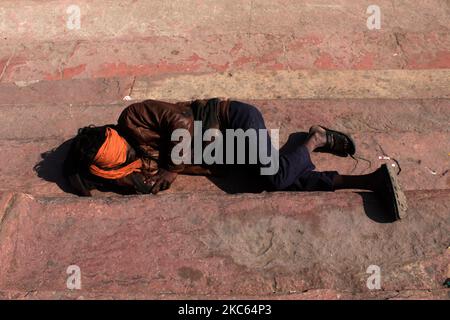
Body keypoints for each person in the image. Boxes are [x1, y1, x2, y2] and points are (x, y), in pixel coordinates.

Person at [63, 98, 407, 219]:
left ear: (114, 135)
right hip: (226, 152)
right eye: (119, 161)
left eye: (122, 150)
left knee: (274, 177)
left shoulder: (134, 116)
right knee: (279, 182)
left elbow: (180, 122)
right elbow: (94, 178)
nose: (127, 156)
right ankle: (367, 181)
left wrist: (169, 167)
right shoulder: (125, 165)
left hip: (232, 119)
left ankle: (314, 139)